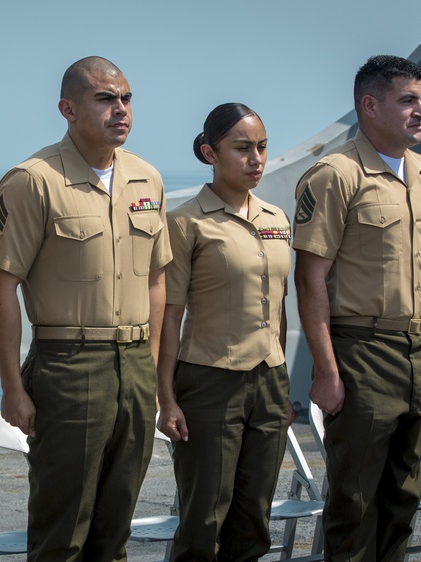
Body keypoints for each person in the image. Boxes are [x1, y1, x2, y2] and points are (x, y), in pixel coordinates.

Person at [0, 56, 172, 561]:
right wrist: (11, 385)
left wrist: (150, 367)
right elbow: (1, 287)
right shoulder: (33, 180)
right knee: (62, 529)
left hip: (133, 366)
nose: (120, 110)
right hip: (68, 366)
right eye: (105, 99)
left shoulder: (146, 179)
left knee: (115, 527)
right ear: (68, 109)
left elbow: (157, 278)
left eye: (126, 99)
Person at [292, 55, 421, 562]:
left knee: (405, 494)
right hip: (363, 351)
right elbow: (310, 276)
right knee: (356, 498)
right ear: (369, 105)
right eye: (408, 100)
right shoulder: (334, 176)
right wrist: (326, 370)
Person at [157, 103, 294, 561]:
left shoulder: (276, 219)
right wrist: (167, 398)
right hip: (209, 381)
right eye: (241, 148)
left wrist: (281, 382)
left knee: (254, 517)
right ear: (209, 153)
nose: (256, 158)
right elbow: (169, 317)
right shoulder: (185, 223)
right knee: (204, 518)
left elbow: (280, 308)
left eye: (261, 147)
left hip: (268, 380)